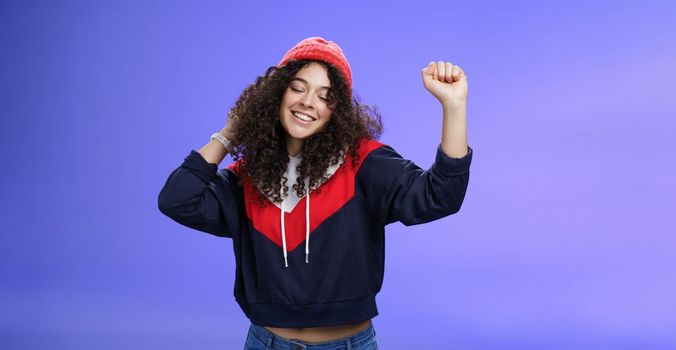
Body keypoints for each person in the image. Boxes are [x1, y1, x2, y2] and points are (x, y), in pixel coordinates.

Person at [158, 36, 472, 349]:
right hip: (265, 343)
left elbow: (440, 196)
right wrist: (228, 134)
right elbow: (177, 200)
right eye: (298, 87)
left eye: (326, 96)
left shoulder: (362, 163)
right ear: (275, 94)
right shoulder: (247, 175)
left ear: (337, 111)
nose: (308, 101)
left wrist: (454, 106)